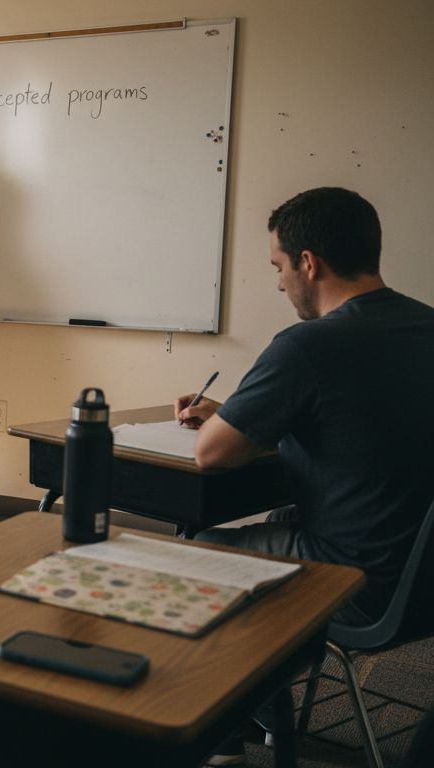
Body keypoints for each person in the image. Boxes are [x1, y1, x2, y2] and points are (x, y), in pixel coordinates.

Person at [173, 187, 434, 766]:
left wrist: (227, 421)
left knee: (202, 550)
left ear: (308, 262)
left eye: (278, 267)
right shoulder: (425, 326)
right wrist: (242, 413)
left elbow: (211, 456)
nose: (279, 283)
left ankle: (221, 739)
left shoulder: (310, 345)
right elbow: (362, 425)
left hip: (360, 583)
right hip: (425, 581)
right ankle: (268, 705)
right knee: (281, 519)